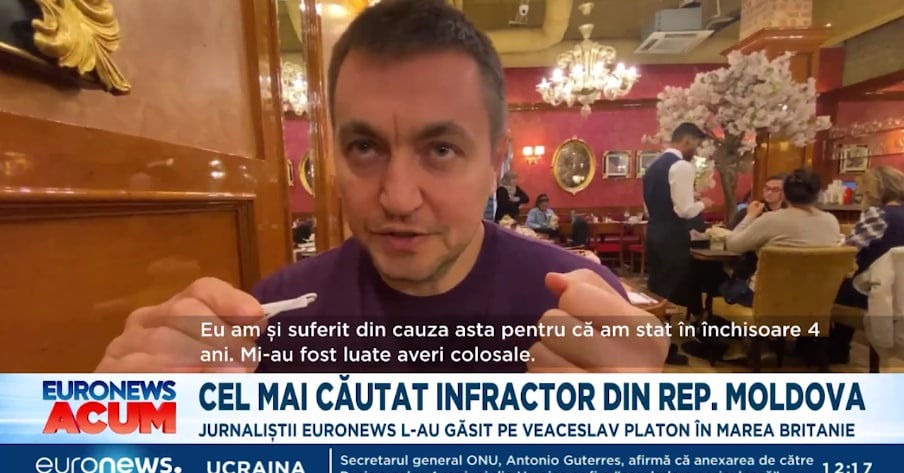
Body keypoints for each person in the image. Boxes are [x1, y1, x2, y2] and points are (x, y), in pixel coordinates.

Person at [95, 0, 667, 373]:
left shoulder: (577, 309)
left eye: (440, 150)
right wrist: (129, 427)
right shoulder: (272, 320)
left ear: (496, 162)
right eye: (365, 148)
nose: (397, 198)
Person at [643, 123, 713, 362]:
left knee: (657, 288)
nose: (695, 150)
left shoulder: (653, 167)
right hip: (672, 235)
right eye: (696, 145)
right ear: (687, 141)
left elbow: (651, 206)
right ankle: (661, 349)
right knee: (668, 291)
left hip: (654, 231)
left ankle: (653, 344)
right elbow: (684, 210)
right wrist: (703, 204)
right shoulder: (681, 165)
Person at [721, 169, 841, 307]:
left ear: (784, 194)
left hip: (767, 299)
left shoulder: (771, 219)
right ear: (818, 194)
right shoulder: (831, 221)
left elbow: (733, 245)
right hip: (813, 299)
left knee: (724, 285)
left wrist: (749, 216)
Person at [832, 166, 904, 362]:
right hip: (899, 293)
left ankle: (833, 351)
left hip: (875, 292)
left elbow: (846, 251)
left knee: (829, 288)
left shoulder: (878, 214)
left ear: (872, 190)